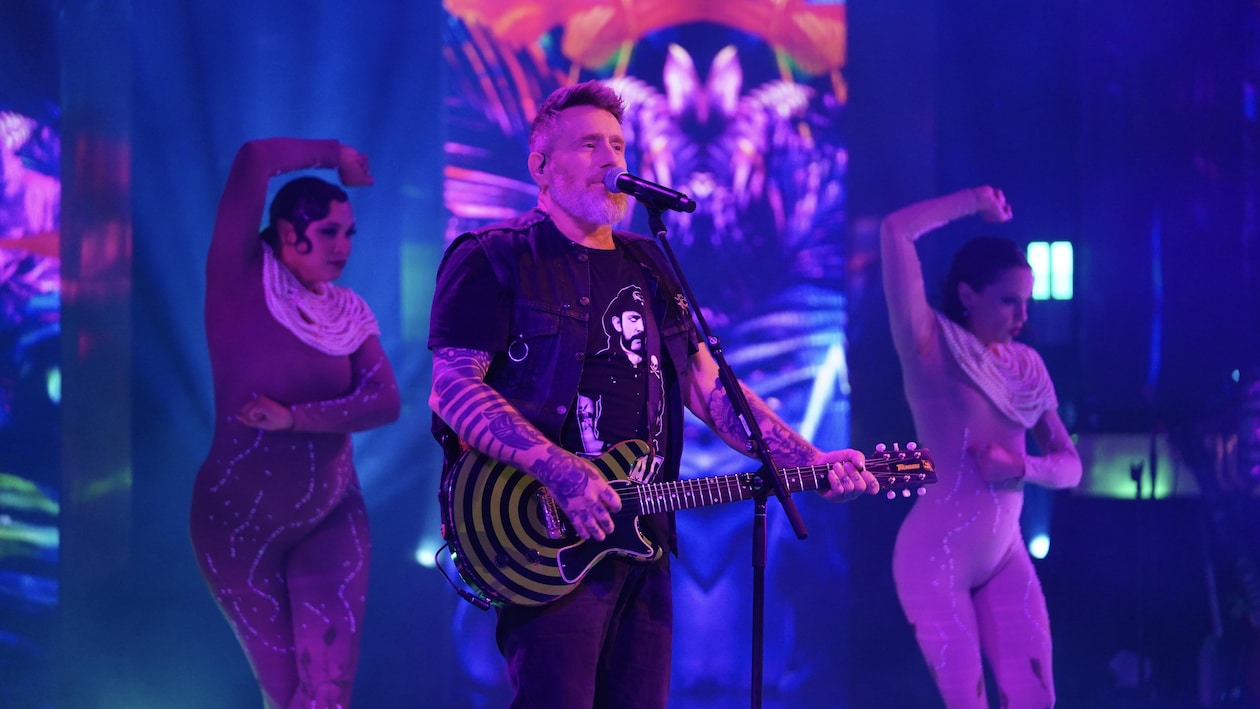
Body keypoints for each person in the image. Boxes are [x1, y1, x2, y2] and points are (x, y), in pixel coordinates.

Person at [427, 79, 881, 709]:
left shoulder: (649, 262)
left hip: (641, 532)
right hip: (543, 531)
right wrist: (559, 471)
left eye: (617, 144)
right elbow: (452, 389)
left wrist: (807, 459)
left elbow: (708, 385)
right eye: (589, 145)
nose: (611, 159)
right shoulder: (494, 258)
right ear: (540, 166)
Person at [190, 138, 401, 708]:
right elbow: (255, 160)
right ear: (288, 233)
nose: (343, 246)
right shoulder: (238, 279)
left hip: (330, 514)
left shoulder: (347, 312)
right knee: (286, 699)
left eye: (349, 233)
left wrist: (294, 420)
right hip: (238, 528)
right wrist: (338, 155)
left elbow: (386, 401)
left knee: (327, 695)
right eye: (330, 231)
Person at [880, 186, 1082, 708]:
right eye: (1008, 300)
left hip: (1004, 553)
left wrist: (1020, 466)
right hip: (935, 557)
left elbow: (1070, 468)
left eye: (1026, 302)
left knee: (1036, 699)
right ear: (968, 295)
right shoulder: (928, 340)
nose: (1021, 315)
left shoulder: (1026, 366)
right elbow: (895, 230)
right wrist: (974, 201)